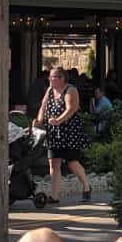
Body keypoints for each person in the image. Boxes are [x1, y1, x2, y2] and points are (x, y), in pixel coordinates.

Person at [35, 66, 93, 203]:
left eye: (53, 77)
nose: (49, 79)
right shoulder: (50, 90)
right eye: (49, 77)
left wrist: (59, 120)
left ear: (62, 79)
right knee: (54, 163)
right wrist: (38, 121)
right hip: (53, 131)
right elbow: (43, 107)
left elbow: (71, 109)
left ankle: (86, 187)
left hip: (69, 131)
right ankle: (54, 196)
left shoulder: (70, 90)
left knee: (72, 162)